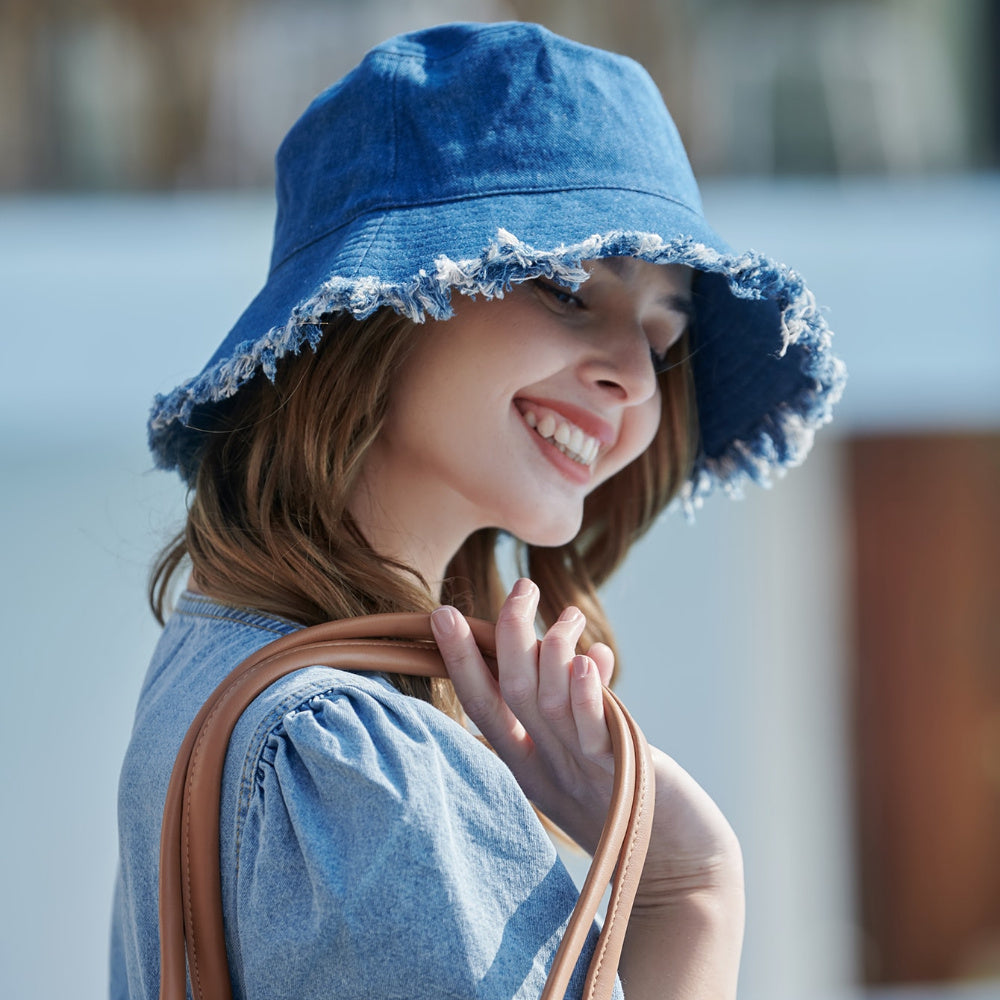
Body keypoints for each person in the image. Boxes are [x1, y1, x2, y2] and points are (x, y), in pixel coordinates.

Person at [111, 20, 845, 1000]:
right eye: (569, 289)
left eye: (664, 342)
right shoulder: (352, 761)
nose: (632, 376)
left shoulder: (224, 659)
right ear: (387, 303)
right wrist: (691, 887)